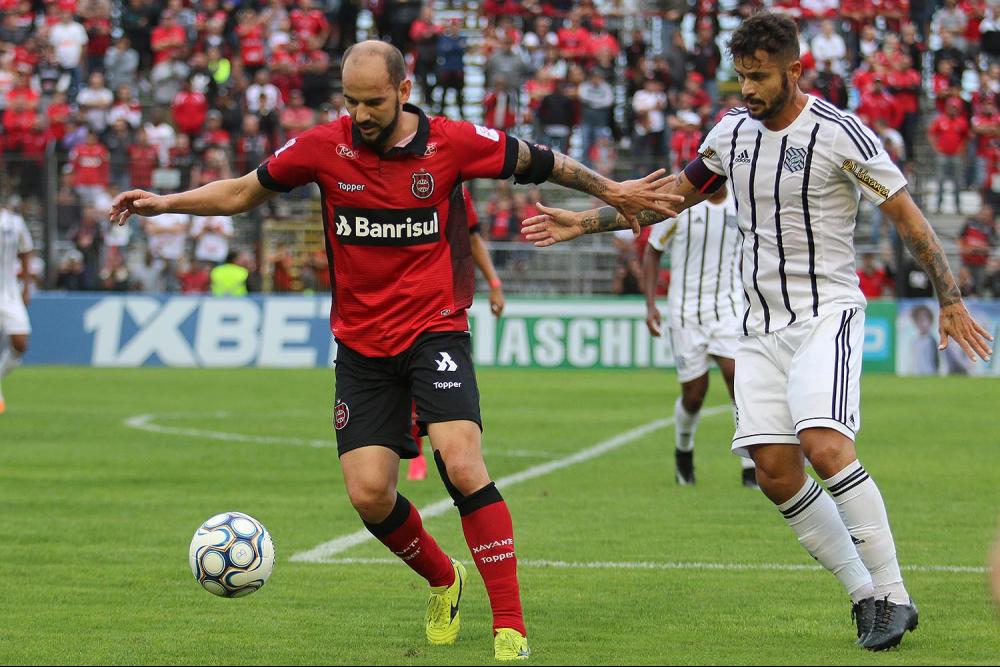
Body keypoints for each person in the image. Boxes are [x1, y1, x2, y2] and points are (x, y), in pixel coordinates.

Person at [109, 40, 674, 661]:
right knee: (369, 494)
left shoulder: (453, 142)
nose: (361, 114)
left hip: (435, 330)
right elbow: (245, 191)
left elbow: (541, 162)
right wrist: (165, 203)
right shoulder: (324, 147)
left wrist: (610, 191)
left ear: (404, 91)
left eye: (373, 101)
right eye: (351, 101)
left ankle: (509, 626)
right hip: (360, 346)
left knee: (461, 464)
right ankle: (443, 579)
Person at [521, 12, 993, 652]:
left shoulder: (840, 132)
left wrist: (950, 297)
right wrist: (585, 224)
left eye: (760, 76)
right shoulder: (730, 136)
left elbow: (908, 219)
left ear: (796, 70)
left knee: (824, 446)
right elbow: (675, 199)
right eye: (741, 75)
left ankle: (896, 595)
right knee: (774, 471)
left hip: (827, 314)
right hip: (757, 325)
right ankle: (863, 595)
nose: (747, 88)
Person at [642, 183, 756, 488]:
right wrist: (651, 303)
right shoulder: (680, 207)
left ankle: (750, 466)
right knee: (694, 394)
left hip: (729, 309)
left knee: (738, 380)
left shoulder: (742, 202)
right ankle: (683, 450)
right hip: (685, 312)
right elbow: (653, 251)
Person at [407, 185, 505, 482]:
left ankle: (426, 456)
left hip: (438, 308)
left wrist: (494, 284)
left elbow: (473, 238)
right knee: (402, 390)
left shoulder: (452, 188)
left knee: (436, 390)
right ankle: (414, 453)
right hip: (390, 307)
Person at [0, 202, 33, 414]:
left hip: (8, 292)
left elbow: (26, 250)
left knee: (20, 342)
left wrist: (27, 286)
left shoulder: (13, 221)